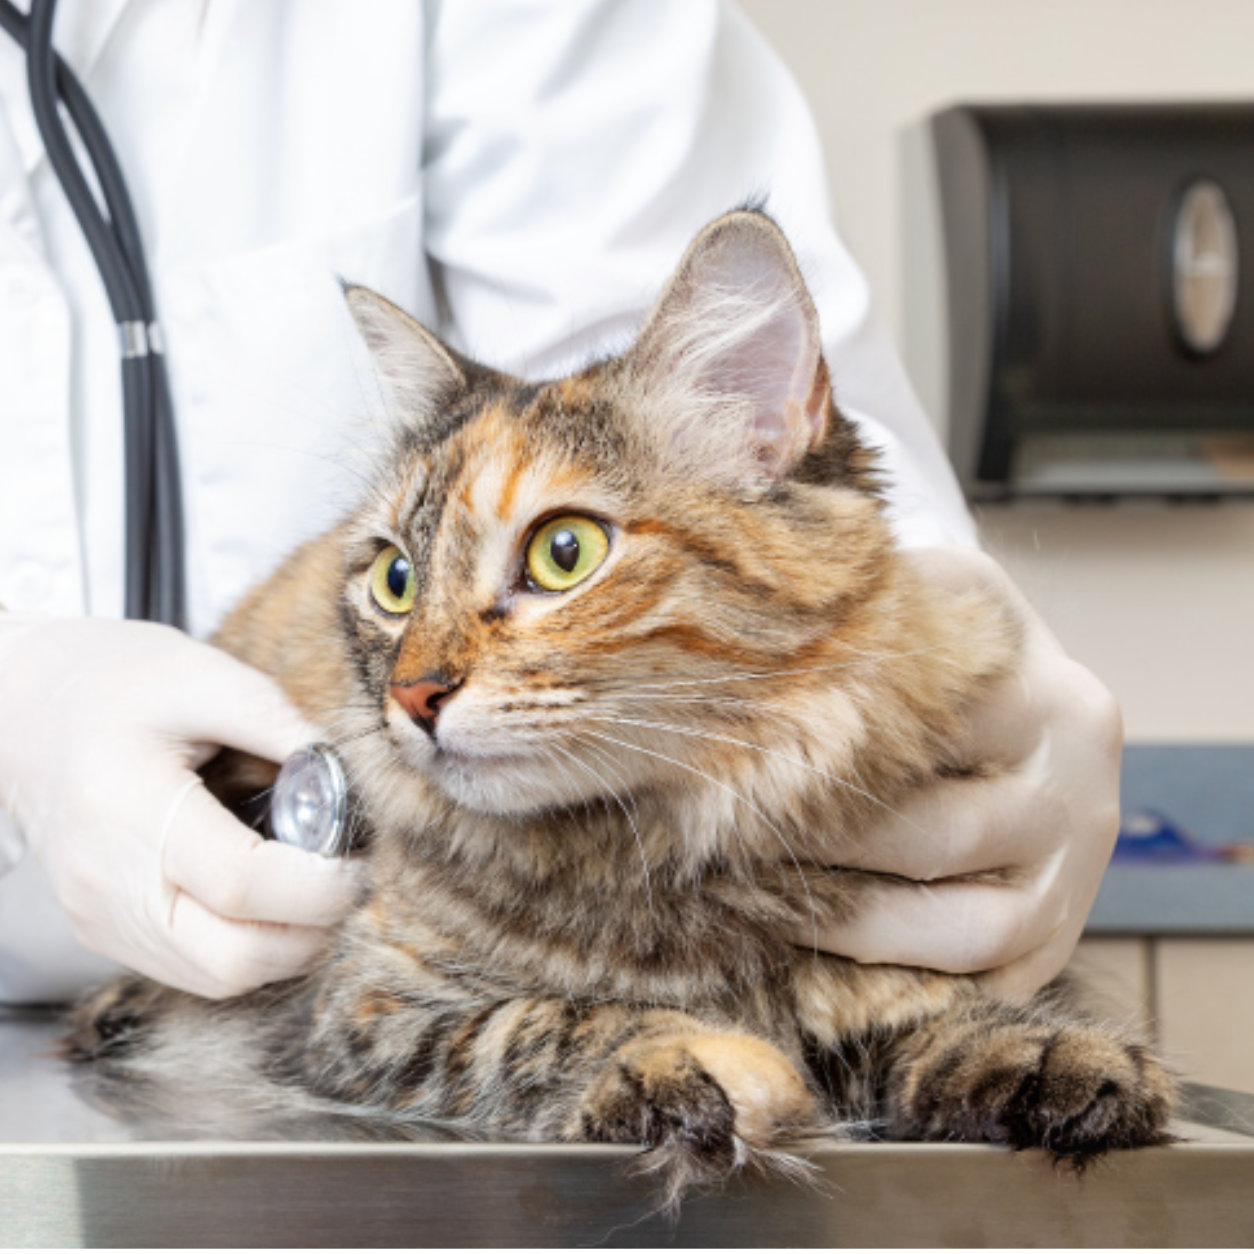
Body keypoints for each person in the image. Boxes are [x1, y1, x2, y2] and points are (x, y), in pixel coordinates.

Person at [0, 0, 1120, 1004]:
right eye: (396, 581)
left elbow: (728, 416)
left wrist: (932, 687)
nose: (424, 672)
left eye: (557, 551)